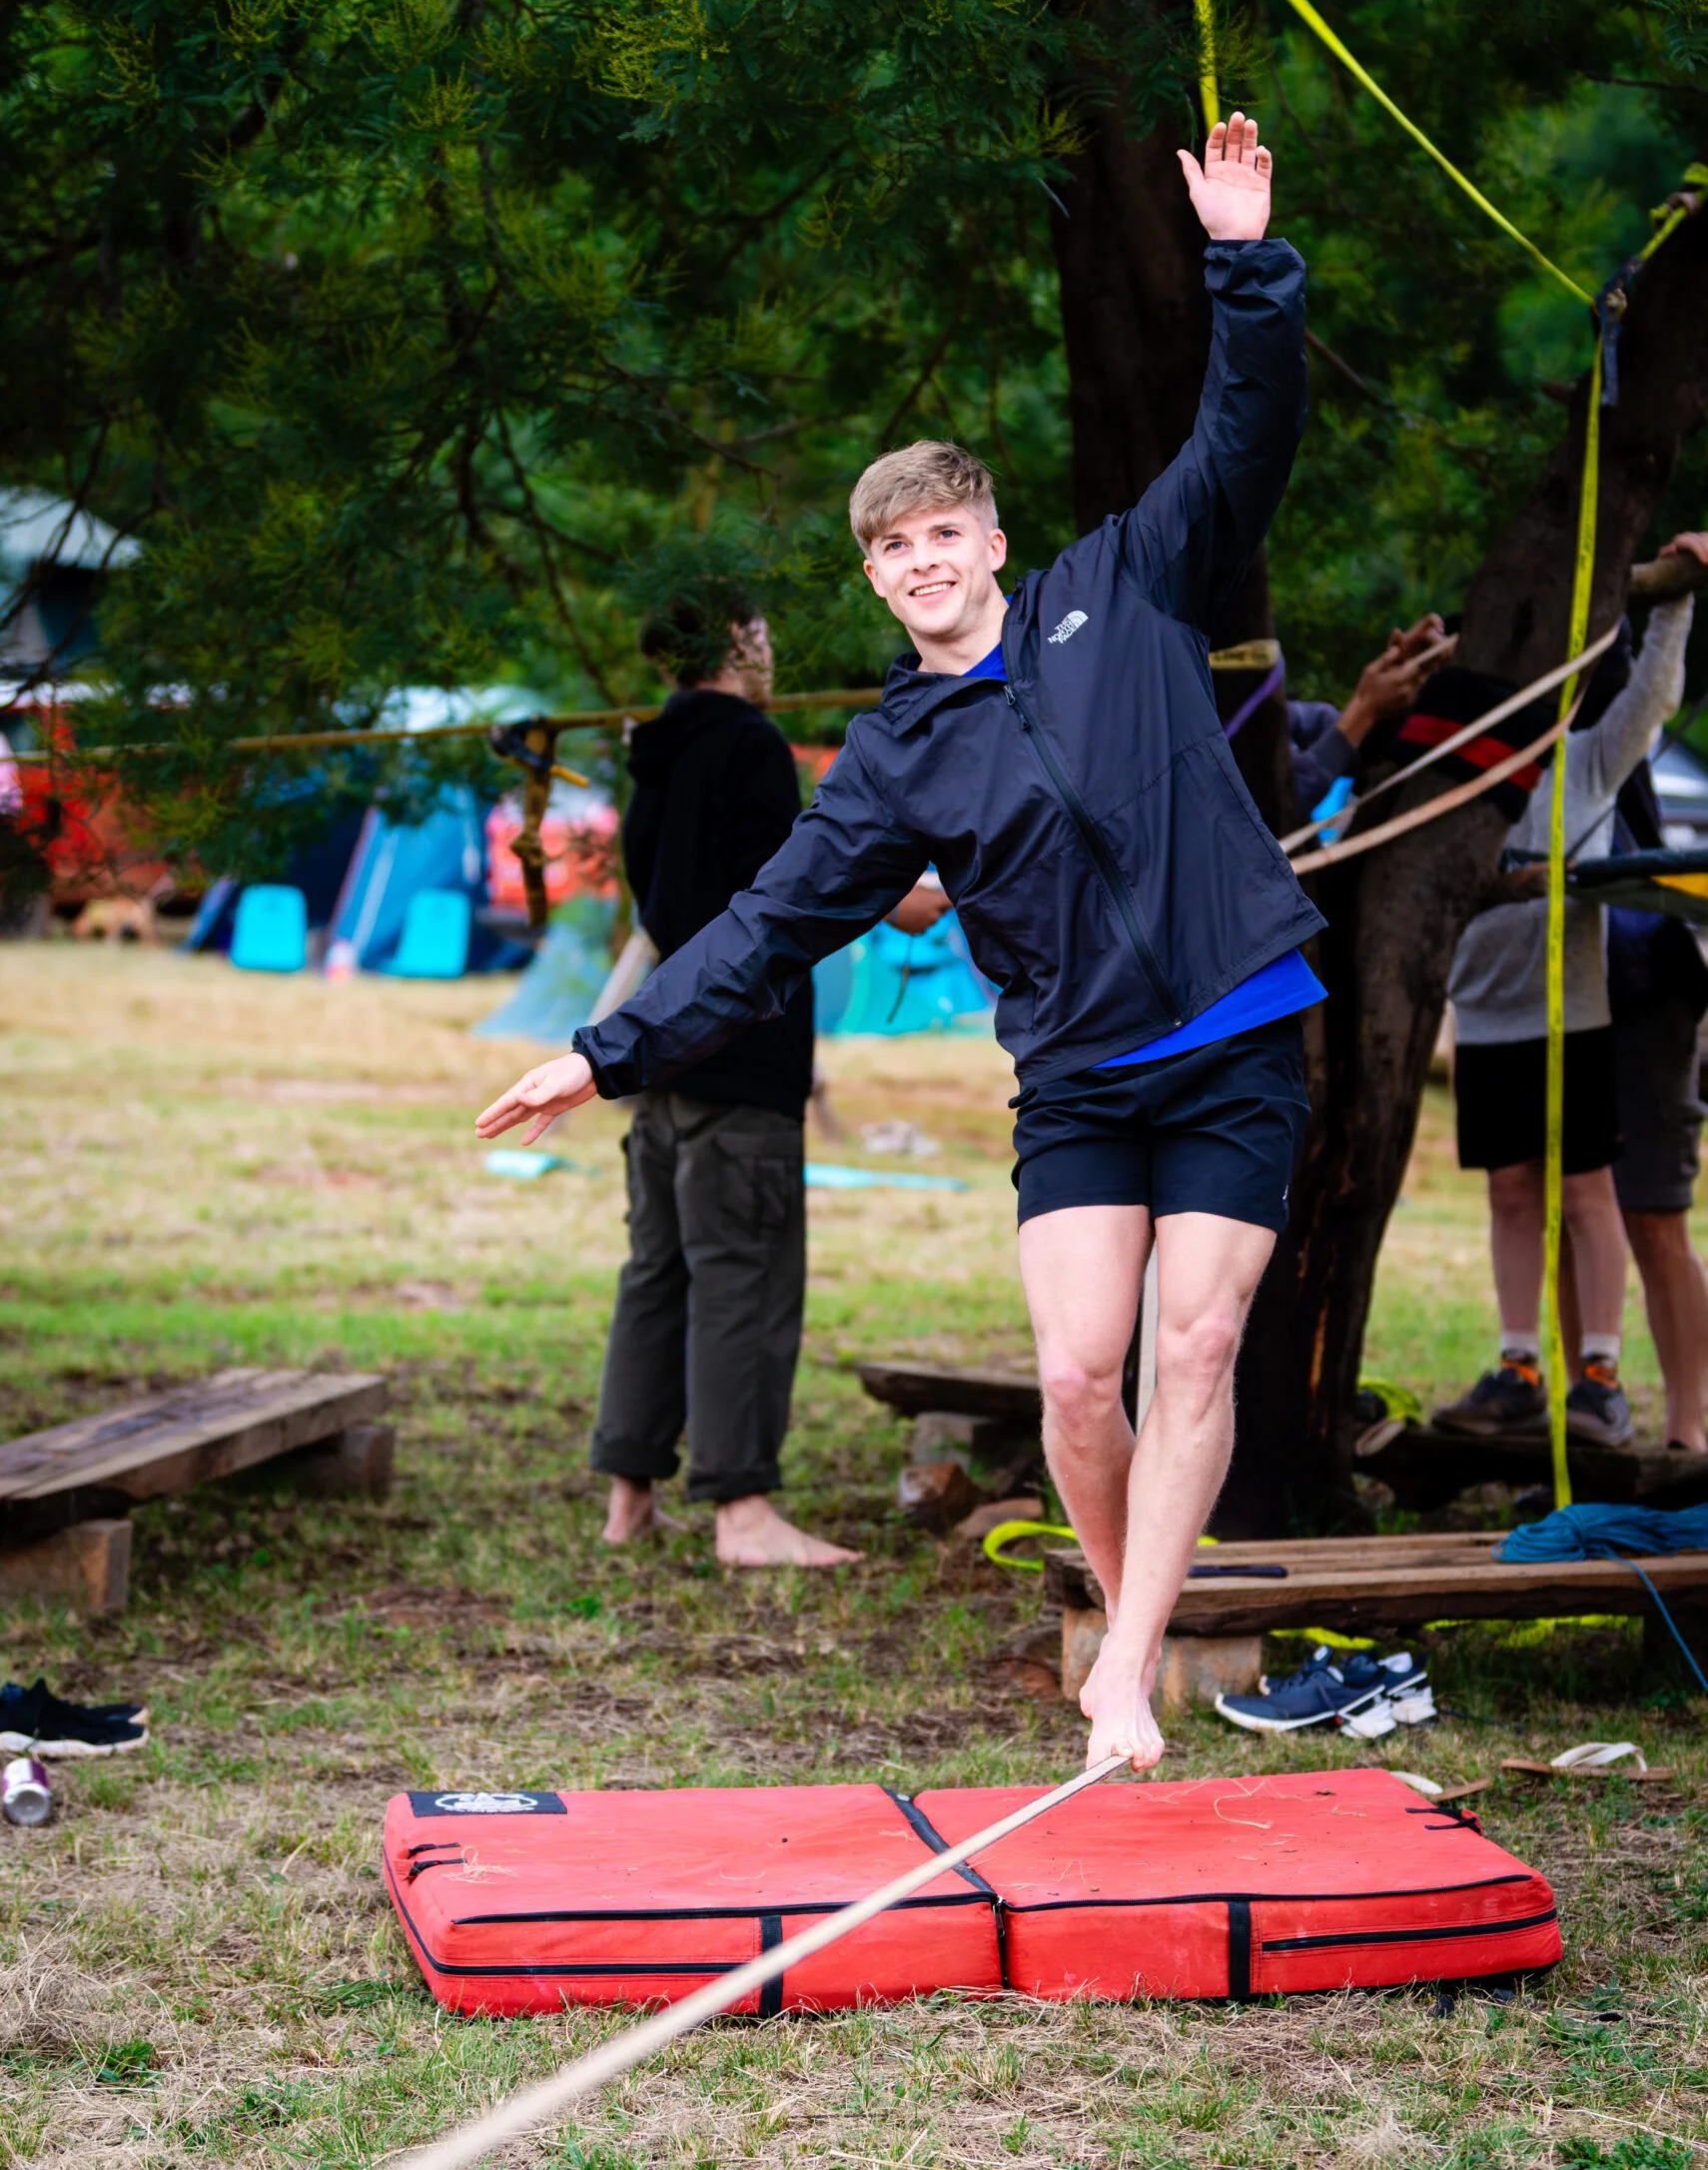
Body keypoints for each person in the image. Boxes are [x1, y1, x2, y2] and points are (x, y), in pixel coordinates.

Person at [478, 111, 1324, 1770]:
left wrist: (1244, 263)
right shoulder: (890, 762)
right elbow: (767, 927)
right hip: (1079, 1073)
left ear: (992, 541)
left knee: (1199, 1336)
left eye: (945, 531)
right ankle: (1119, 1595)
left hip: (1229, 1026)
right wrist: (601, 1050)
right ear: (875, 582)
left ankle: (1125, 1664)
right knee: (1081, 1379)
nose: (924, 561)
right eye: (891, 548)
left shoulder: (1123, 587)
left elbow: (1244, 434)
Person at [590, 587, 858, 1569]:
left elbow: (674, 907)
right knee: (742, 1274)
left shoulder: (654, 757)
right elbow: (780, 904)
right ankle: (743, 1516)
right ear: (739, 641)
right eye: (766, 631)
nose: (775, 649)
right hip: (738, 1058)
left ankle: (629, 1495)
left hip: (658, 1048)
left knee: (657, 1270)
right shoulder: (749, 746)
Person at [1434, 547, 1707, 1448]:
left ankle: (1601, 1376)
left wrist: (1675, 604)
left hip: (1574, 1016)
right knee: (1512, 1192)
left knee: (1591, 1194)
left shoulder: (1582, 765)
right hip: (1488, 1018)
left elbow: (1651, 702)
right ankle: (1520, 1366)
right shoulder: (1447, 774)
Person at [1559, 755, 1708, 1452]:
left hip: (1646, 987)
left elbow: (1652, 685)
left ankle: (1688, 1433)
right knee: (1572, 1216)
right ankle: (1584, 1419)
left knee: (1653, 1217)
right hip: (1556, 996)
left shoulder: (1607, 709)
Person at [1287, 615, 1449, 819]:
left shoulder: (1279, 718)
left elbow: (1353, 748)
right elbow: (1275, 805)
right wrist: (1365, 708)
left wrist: (1400, 685)